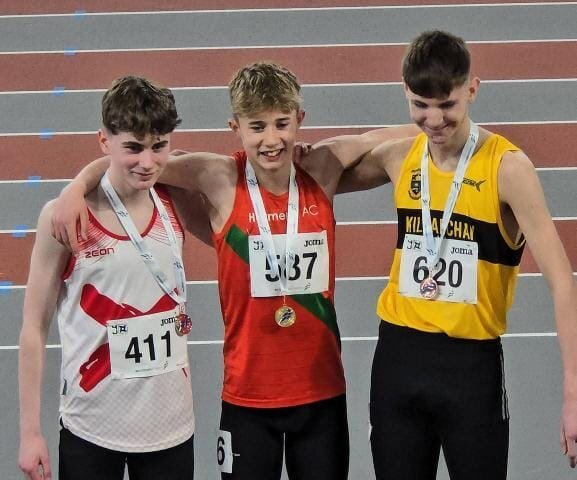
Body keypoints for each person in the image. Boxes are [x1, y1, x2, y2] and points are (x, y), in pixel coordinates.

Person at [49, 61, 418, 479]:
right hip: (247, 402)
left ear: (300, 119)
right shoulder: (219, 176)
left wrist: (451, 124)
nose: (272, 140)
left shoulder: (322, 167)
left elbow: (399, 137)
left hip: (321, 394)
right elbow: (129, 160)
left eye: (282, 124)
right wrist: (76, 186)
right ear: (235, 127)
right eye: (257, 127)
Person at [337, 30, 577, 479]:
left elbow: (563, 282)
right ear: (405, 93)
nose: (433, 121)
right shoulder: (400, 155)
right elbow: (322, 168)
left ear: (472, 89)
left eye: (446, 105)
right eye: (419, 106)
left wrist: (573, 396)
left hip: (470, 370)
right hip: (398, 360)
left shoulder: (508, 169)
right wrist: (384, 133)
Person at [18, 76, 197, 480]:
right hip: (93, 427)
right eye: (132, 147)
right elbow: (33, 327)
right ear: (104, 141)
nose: (147, 162)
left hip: (171, 427)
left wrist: (80, 179)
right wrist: (30, 432)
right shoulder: (65, 218)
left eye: (158, 146)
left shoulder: (176, 195)